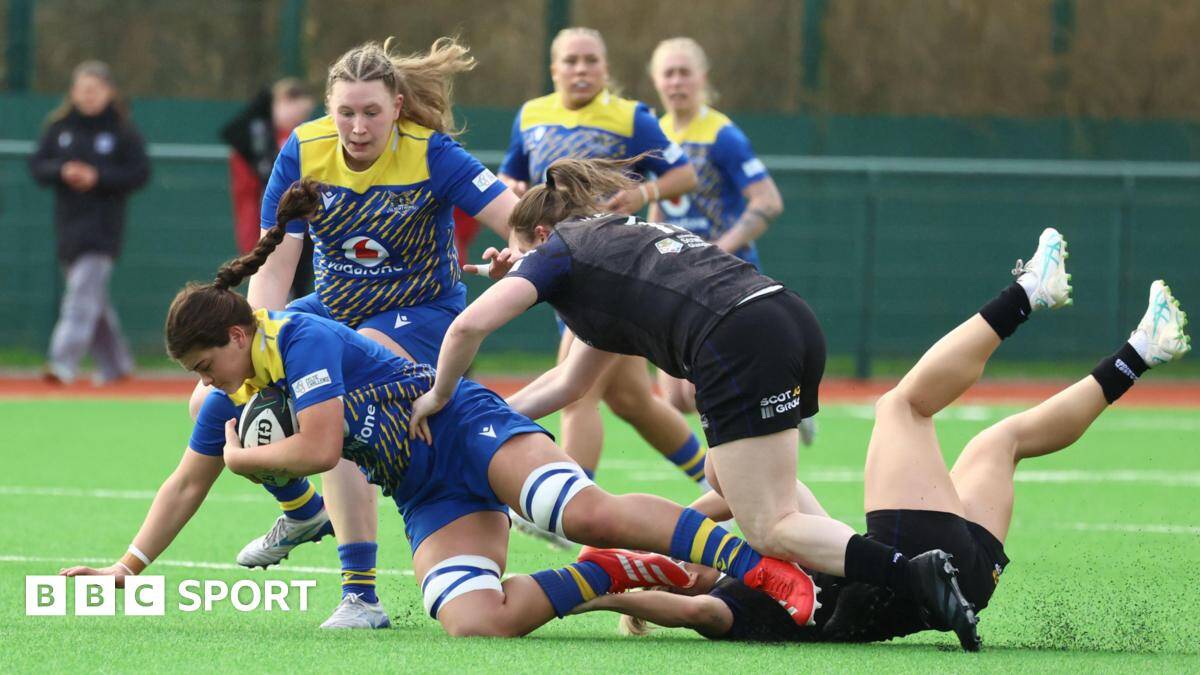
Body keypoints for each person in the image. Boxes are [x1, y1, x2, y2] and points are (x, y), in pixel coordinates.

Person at [59, 179, 827, 638]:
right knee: (476, 621)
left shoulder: (297, 335)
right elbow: (184, 483)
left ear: (237, 335)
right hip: (423, 489)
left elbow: (320, 448)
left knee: (585, 510)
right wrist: (126, 567)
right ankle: (606, 577)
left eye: (206, 367)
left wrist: (243, 458)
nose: (208, 384)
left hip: (464, 428)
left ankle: (756, 565)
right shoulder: (237, 393)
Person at [411, 157, 981, 648]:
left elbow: (466, 328)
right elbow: (567, 384)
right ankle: (855, 568)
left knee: (769, 527)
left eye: (517, 252)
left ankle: (911, 575)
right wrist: (486, 426)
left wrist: (441, 398)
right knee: (723, 475)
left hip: (736, 340)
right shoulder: (609, 246)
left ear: (539, 233)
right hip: (787, 317)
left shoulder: (559, 251)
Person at [570, 234, 1191, 649]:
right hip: (916, 560)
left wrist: (675, 534)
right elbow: (694, 610)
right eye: (688, 567)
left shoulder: (775, 537)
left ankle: (1142, 351)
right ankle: (1027, 293)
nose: (696, 559)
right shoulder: (735, 602)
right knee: (901, 407)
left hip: (966, 583)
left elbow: (754, 494)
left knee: (1001, 442)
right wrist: (607, 593)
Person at [187, 37, 520, 628]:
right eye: (346, 113)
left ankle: (360, 596)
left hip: (421, 311)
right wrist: (256, 355)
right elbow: (274, 270)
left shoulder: (432, 154)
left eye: (371, 112)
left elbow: (517, 218)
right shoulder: (303, 149)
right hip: (335, 307)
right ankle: (301, 510)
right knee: (207, 401)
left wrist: (513, 253)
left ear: (397, 106)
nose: (358, 127)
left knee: (333, 403)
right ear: (328, 109)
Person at [496, 27, 710, 538]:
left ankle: (567, 510)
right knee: (632, 400)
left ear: (606, 68)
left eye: (591, 60)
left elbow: (684, 175)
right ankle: (714, 481)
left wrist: (645, 193)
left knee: (577, 392)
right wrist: (514, 200)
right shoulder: (532, 115)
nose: (581, 69)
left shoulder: (631, 117)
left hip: (610, 272)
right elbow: (510, 179)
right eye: (571, 60)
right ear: (554, 69)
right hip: (562, 267)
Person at [646, 38, 786, 416]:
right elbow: (660, 202)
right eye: (668, 74)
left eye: (684, 73)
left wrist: (717, 249)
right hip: (677, 275)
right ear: (656, 80)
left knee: (703, 391)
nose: (676, 82)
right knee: (675, 399)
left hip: (724, 276)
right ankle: (775, 384)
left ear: (702, 78)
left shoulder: (722, 135)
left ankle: (780, 393)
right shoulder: (655, 133)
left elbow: (768, 200)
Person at [28, 60, 150, 385]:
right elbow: (37, 165)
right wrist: (62, 171)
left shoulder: (122, 130)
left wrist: (98, 177)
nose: (88, 96)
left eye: (94, 89)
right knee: (93, 300)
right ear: (73, 92)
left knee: (81, 297)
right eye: (83, 89)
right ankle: (117, 365)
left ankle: (62, 362)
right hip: (68, 227)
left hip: (104, 230)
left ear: (109, 92)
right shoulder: (59, 128)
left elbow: (139, 172)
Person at [221, 78, 316, 297]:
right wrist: (269, 98)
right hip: (267, 221)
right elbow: (233, 131)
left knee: (296, 287)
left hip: (301, 227)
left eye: (304, 114)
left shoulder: (301, 139)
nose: (300, 119)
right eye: (297, 111)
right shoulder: (259, 138)